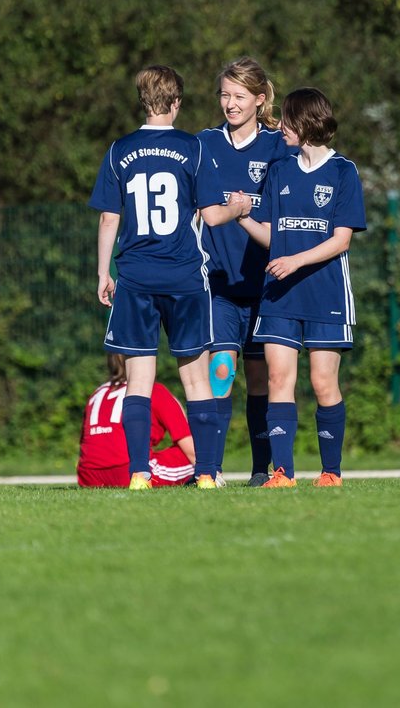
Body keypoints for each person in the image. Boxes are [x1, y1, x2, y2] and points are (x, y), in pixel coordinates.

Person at [88, 65, 248, 490]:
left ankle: (139, 473)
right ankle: (208, 474)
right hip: (183, 276)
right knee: (195, 379)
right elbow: (213, 215)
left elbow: (109, 217)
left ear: (143, 102)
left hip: (136, 277)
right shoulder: (192, 147)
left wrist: (105, 272)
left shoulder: (119, 149)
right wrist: (239, 206)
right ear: (176, 103)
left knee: (139, 379)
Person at [237, 88, 366, 488]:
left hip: (325, 294)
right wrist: (239, 214)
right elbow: (271, 234)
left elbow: (341, 239)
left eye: (286, 120)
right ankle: (283, 473)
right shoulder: (280, 170)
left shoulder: (344, 171)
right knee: (278, 379)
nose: (280, 128)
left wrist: (296, 260)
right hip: (279, 295)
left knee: (323, 382)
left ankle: (331, 473)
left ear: (304, 122)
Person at [194, 58, 289, 487]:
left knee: (261, 380)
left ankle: (260, 470)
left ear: (260, 99)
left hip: (266, 284)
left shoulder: (277, 147)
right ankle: (209, 471)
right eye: (224, 95)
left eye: (238, 96)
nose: (229, 104)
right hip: (218, 283)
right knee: (220, 371)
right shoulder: (204, 145)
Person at [77, 354, 196, 487]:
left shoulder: (97, 393)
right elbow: (190, 448)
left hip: (88, 475)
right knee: (201, 456)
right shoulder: (154, 390)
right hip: (128, 471)